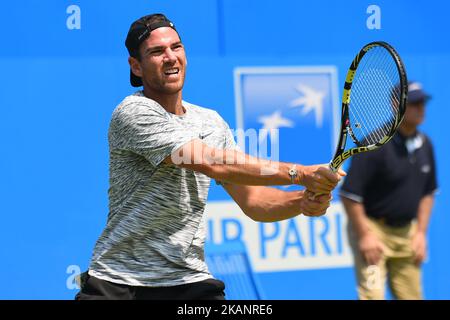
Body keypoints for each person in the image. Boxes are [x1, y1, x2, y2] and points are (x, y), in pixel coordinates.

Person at [75, 13, 344, 300]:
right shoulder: (132, 112)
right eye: (156, 52)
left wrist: (300, 201)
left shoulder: (211, 122)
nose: (170, 57)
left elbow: (254, 202)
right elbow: (209, 162)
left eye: (176, 47)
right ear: (136, 67)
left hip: (190, 281)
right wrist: (300, 173)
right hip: (119, 283)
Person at [340, 81, 437, 300]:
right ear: (396, 105)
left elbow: (428, 193)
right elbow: (349, 195)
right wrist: (365, 236)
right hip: (373, 231)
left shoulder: (426, 144)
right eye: (413, 103)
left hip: (407, 235)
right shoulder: (374, 143)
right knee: (373, 295)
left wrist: (421, 233)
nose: (420, 108)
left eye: (422, 103)